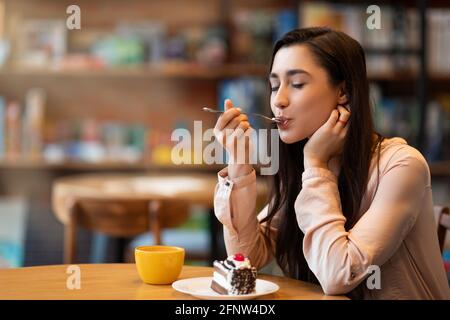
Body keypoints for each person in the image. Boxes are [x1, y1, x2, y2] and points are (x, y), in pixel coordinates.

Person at [212, 27, 450, 299]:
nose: (278, 99)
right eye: (275, 85)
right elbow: (248, 257)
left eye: (297, 83)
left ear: (343, 92)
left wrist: (316, 166)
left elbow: (339, 274)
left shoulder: (403, 165)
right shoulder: (297, 164)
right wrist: (239, 162)